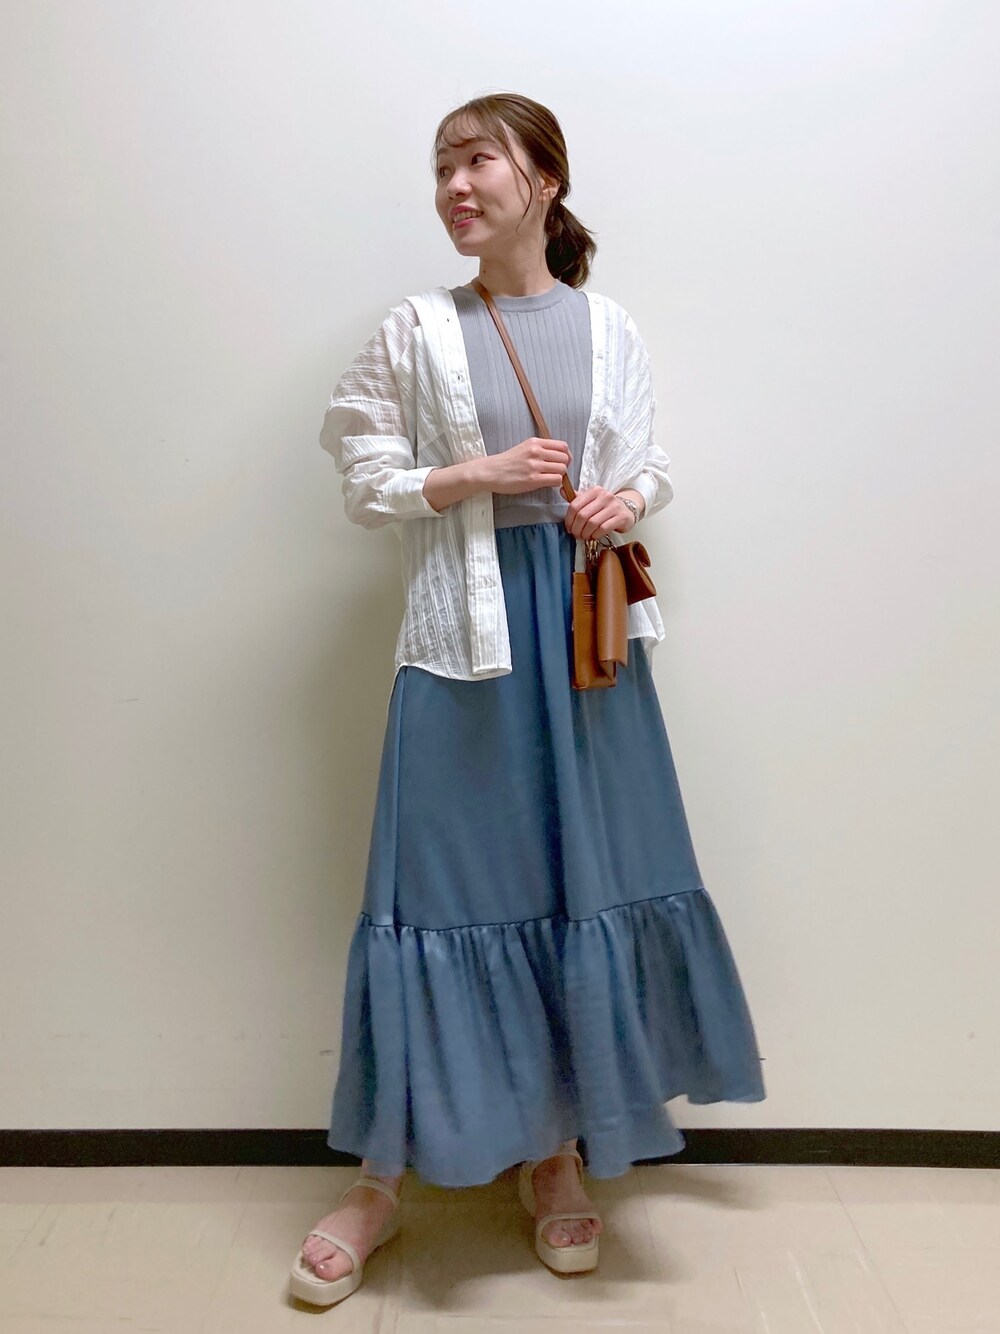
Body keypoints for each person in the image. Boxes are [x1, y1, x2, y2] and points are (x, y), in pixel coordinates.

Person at [288, 92, 766, 1308]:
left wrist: (623, 498)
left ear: (543, 180)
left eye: (477, 161)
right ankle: (381, 1176)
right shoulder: (416, 328)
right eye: (440, 167)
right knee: (433, 894)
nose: (454, 186)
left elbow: (649, 461)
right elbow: (361, 473)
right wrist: (473, 473)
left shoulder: (609, 327)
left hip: (588, 641)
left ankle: (554, 1154)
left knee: (574, 882)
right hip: (465, 640)